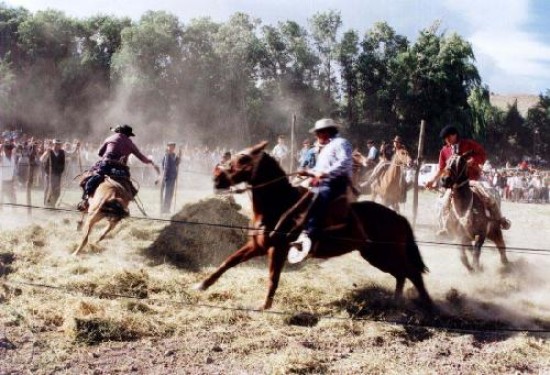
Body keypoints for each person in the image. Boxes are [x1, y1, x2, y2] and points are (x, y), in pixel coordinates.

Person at [288, 118, 353, 263]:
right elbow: (318, 170)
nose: (316, 136)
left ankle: (310, 236)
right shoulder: (326, 147)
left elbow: (345, 162)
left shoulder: (341, 143)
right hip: (323, 182)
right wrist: (308, 172)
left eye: (318, 133)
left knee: (319, 198)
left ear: (326, 132)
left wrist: (326, 173)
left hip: (336, 183)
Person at [426, 125, 510, 234]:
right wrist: (432, 180)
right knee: (443, 203)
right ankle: (445, 227)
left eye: (448, 137)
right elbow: (441, 169)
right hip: (455, 184)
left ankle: (500, 220)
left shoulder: (469, 144)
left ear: (454, 135)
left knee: (489, 195)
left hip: (473, 179)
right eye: (445, 139)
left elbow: (482, 155)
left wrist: (473, 161)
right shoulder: (444, 151)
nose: (446, 141)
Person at [78, 124, 159, 211]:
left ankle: (85, 199)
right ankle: (127, 202)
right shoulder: (130, 143)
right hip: (121, 170)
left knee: (91, 178)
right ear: (128, 135)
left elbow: (100, 153)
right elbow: (142, 158)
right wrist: (150, 161)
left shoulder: (109, 138)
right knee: (130, 186)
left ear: (118, 131)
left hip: (107, 166)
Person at [41, 139, 66, 207]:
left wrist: (76, 148)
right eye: (56, 144)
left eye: (59, 144)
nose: (57, 146)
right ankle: (46, 205)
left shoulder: (62, 152)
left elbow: (70, 154)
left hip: (58, 175)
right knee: (48, 190)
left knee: (57, 191)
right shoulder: (49, 151)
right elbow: (42, 159)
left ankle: (52, 204)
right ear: (53, 144)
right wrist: (46, 153)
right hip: (49, 174)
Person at [160, 142, 181, 214]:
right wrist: (165, 173)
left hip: (173, 177)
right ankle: (164, 209)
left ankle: (167, 209)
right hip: (168, 177)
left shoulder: (173, 155)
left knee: (171, 194)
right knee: (167, 194)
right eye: (170, 146)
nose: (172, 148)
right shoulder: (166, 155)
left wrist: (179, 158)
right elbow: (164, 166)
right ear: (168, 147)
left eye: (173, 147)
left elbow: (176, 163)